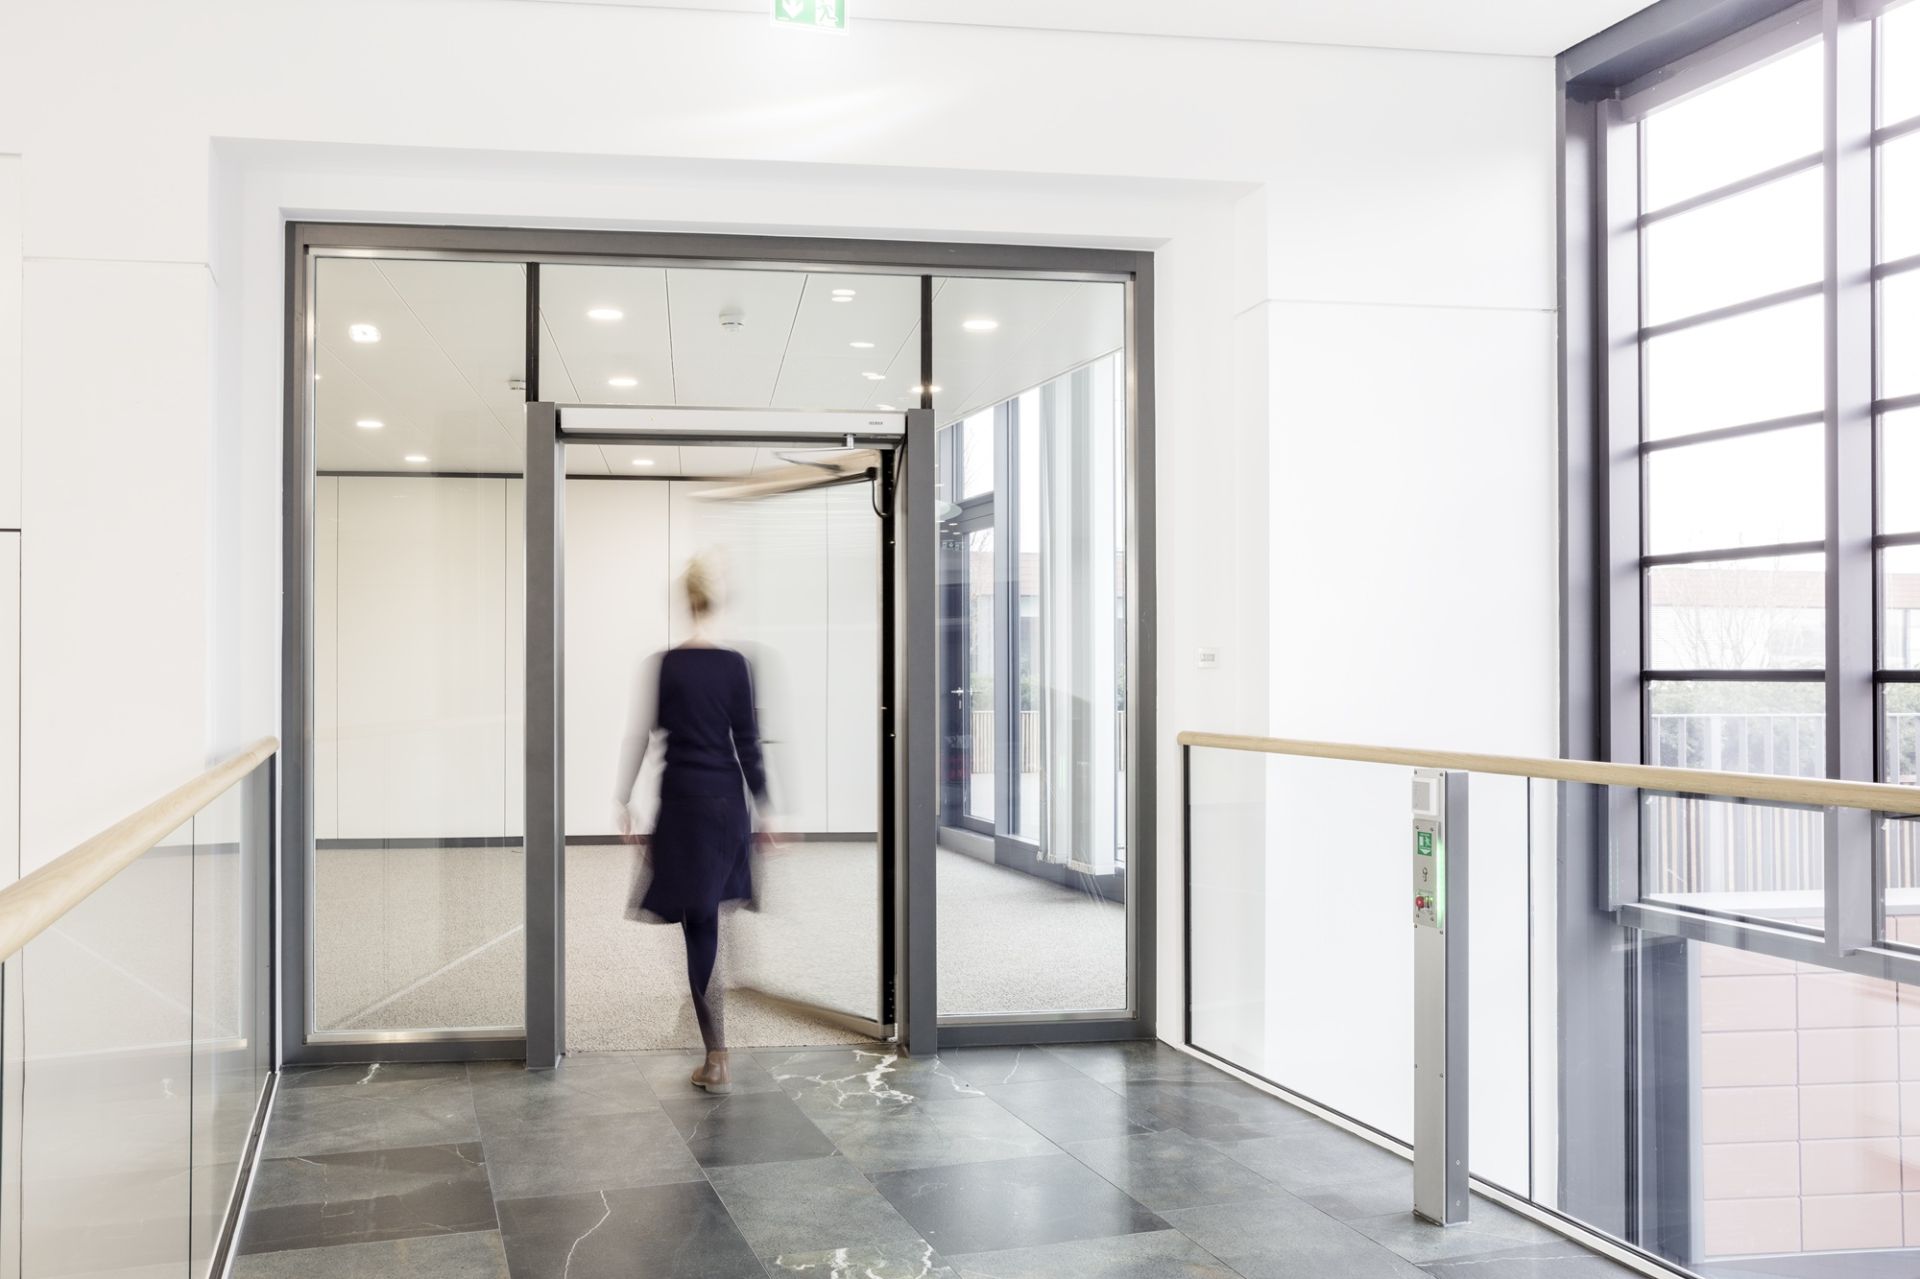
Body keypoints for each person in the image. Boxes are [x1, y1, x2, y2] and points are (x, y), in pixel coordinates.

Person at [613, 556, 769, 1093]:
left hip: (683, 805)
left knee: (698, 925)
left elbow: (642, 735)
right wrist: (767, 806)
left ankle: (716, 1054)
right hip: (726, 805)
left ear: (686, 600)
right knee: (713, 913)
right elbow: (747, 743)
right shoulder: (736, 665)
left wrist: (623, 797)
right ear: (717, 600)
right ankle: (712, 1008)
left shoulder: (665, 666)